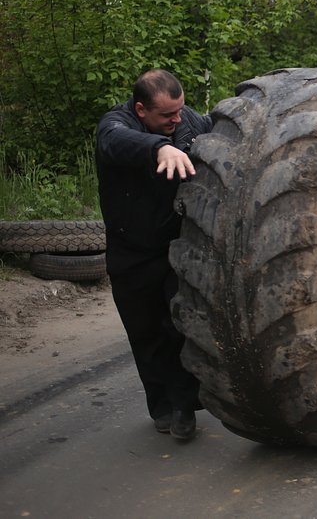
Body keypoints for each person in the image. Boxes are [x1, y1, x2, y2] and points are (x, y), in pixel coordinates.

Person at [96, 68, 213, 439]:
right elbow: (117, 142)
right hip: (130, 252)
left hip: (176, 247)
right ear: (141, 108)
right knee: (145, 333)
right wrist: (160, 147)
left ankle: (183, 408)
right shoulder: (115, 125)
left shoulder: (187, 121)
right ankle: (161, 406)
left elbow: (220, 130)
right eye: (167, 115)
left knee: (178, 326)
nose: (177, 120)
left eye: (179, 111)